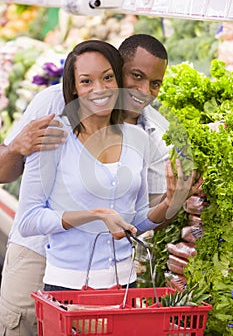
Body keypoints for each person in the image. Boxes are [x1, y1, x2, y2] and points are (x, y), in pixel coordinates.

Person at [0, 34, 196, 335]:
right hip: (38, 257)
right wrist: (16, 148)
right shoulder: (54, 109)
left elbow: (136, 221)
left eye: (154, 83)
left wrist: (172, 202)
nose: (144, 92)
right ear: (118, 68)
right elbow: (13, 190)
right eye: (136, 77)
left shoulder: (148, 135)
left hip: (108, 281)